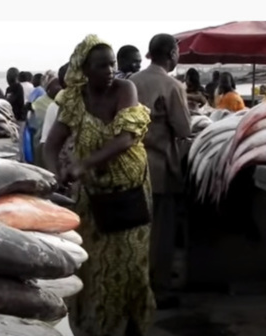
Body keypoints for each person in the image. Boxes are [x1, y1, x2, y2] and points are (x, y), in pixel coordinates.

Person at [44, 35, 155, 336]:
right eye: (101, 66)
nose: (109, 71)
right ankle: (95, 326)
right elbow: (51, 145)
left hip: (128, 195)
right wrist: (56, 177)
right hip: (90, 199)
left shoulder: (125, 89)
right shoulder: (73, 100)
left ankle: (132, 326)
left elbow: (126, 138)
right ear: (84, 69)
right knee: (91, 266)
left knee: (130, 265)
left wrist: (83, 164)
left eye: (112, 65)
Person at [130, 33, 191, 309]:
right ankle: (158, 290)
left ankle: (134, 285)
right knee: (160, 234)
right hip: (160, 169)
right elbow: (183, 129)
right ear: (171, 54)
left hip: (131, 166)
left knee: (136, 232)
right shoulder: (172, 85)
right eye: (177, 51)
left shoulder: (130, 83)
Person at [30, 77, 61, 168]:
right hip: (43, 140)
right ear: (48, 89)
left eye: (60, 85)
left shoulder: (60, 102)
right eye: (56, 85)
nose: (59, 88)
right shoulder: (43, 102)